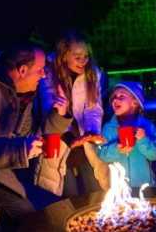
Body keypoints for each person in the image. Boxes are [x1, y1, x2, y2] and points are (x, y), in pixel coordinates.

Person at [0, 43, 72, 232]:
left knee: (32, 220)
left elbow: (26, 137)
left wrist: (57, 116)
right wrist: (20, 149)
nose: (43, 75)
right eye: (40, 70)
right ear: (22, 70)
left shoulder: (22, 94)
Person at [39, 31, 109, 196]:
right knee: (68, 195)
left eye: (86, 56)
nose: (83, 61)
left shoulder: (92, 74)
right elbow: (48, 111)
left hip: (85, 142)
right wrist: (70, 138)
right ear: (64, 55)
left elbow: (94, 108)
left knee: (95, 191)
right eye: (77, 56)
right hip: (60, 141)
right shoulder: (47, 74)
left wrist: (92, 132)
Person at [98, 81, 156, 187]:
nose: (115, 99)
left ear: (135, 102)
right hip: (119, 189)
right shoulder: (108, 127)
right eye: (114, 96)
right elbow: (102, 154)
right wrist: (116, 148)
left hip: (145, 187)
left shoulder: (146, 125)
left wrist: (143, 139)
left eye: (121, 96)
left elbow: (155, 154)